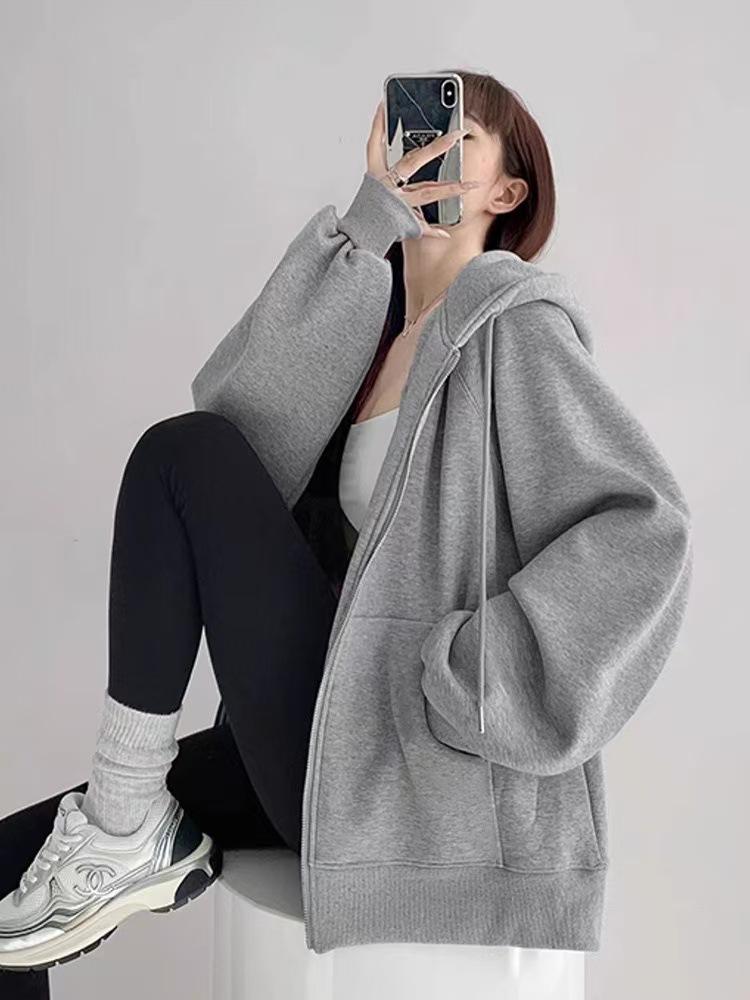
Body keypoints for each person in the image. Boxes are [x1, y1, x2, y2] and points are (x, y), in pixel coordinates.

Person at [0, 69, 692, 994]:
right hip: (319, 732)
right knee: (6, 875)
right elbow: (230, 424)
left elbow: (646, 528)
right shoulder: (367, 330)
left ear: (506, 193)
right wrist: (367, 228)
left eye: (459, 140)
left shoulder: (513, 331)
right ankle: (124, 824)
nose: (429, 154)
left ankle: (126, 820)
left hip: (411, 765)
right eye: (415, 136)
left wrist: (482, 676)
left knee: (182, 453)